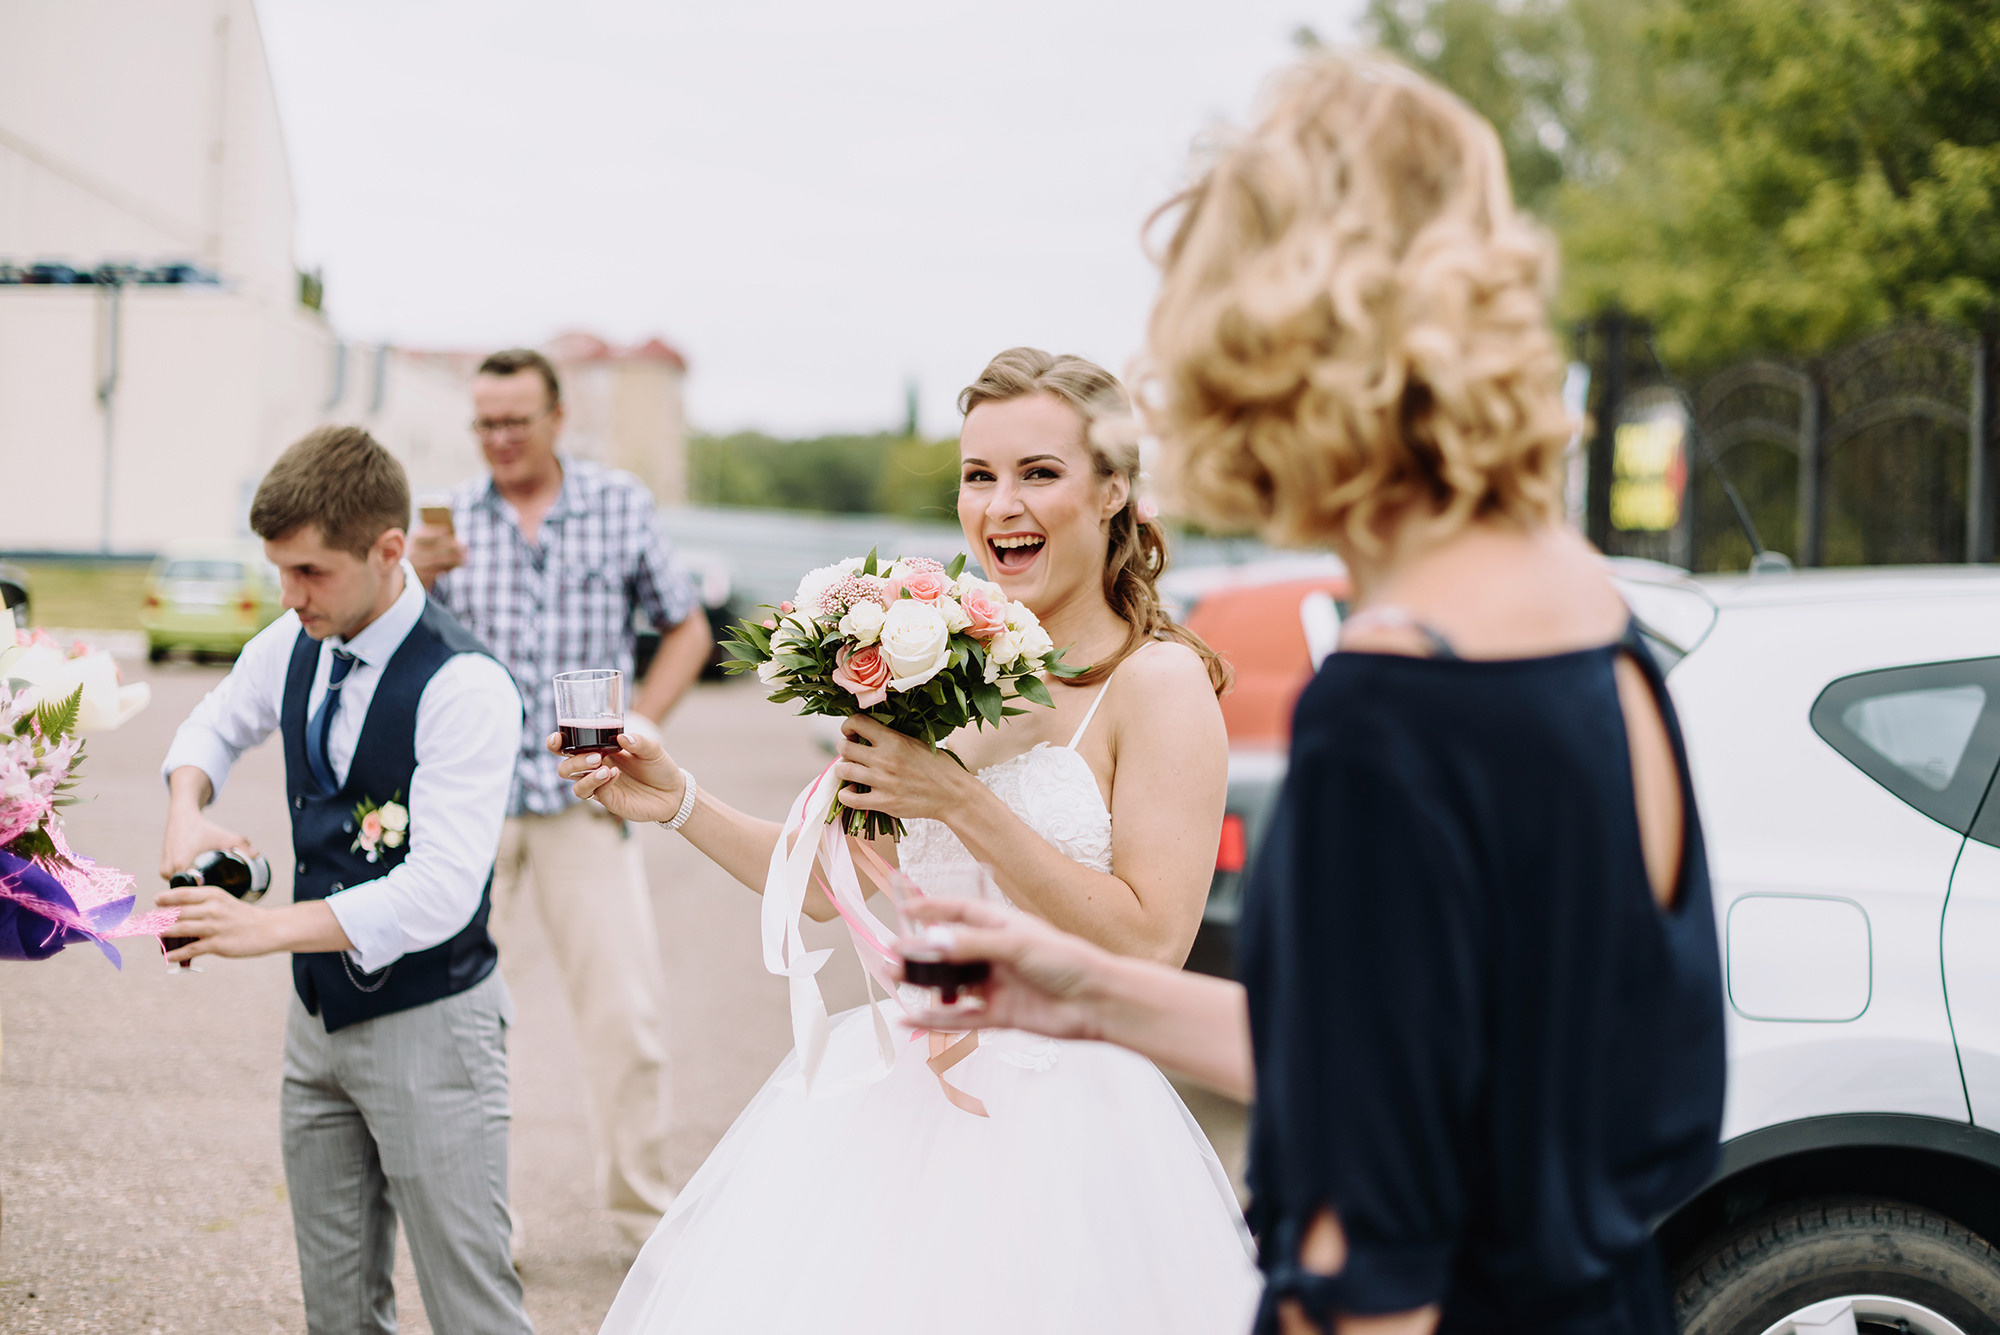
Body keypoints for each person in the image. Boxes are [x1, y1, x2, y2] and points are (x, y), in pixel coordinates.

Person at [896, 54, 1727, 1335]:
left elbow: (1372, 1275)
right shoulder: (1594, 628)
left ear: (1262, 353)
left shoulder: (1391, 712)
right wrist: (1069, 986)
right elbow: (1421, 1080)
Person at [555, 347, 1262, 1333]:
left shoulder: (1155, 686)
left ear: (1112, 492)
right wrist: (676, 802)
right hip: (890, 1103)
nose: (999, 503)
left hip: (1070, 1129)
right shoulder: (932, 672)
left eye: (1038, 472)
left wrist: (964, 804)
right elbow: (820, 884)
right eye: (978, 475)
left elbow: (1150, 942)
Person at [157, 426, 531, 1335]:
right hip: (316, 1027)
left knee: (473, 1310)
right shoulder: (295, 639)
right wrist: (186, 809)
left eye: (310, 573)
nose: (288, 596)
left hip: (434, 1029)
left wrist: (260, 929)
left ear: (388, 549)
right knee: (336, 1313)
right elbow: (213, 722)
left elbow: (442, 889)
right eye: (280, 571)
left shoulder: (467, 686)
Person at [410, 347, 711, 1247]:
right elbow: (395, 645)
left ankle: (641, 1223)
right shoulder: (448, 517)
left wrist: (641, 726)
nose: (500, 438)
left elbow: (688, 626)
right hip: (473, 802)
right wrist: (418, 573)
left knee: (629, 1018)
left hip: (589, 795)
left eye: (516, 420)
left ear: (556, 417)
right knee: (452, 1020)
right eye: (485, 422)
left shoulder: (618, 503)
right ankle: (473, 1232)